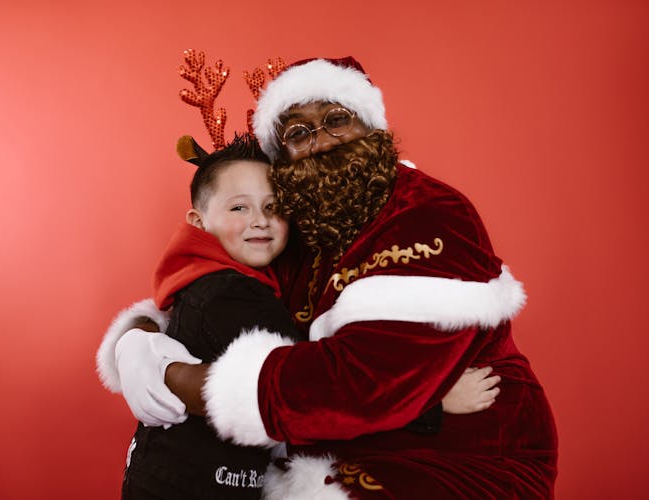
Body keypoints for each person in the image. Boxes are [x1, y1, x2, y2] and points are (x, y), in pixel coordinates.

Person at [100, 56, 558, 498]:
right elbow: (217, 289)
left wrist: (174, 375)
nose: (321, 140)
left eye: (337, 119)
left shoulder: (427, 212)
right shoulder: (295, 221)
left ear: (369, 127)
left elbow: (357, 387)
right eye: (298, 132)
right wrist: (138, 339)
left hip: (460, 456)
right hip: (339, 447)